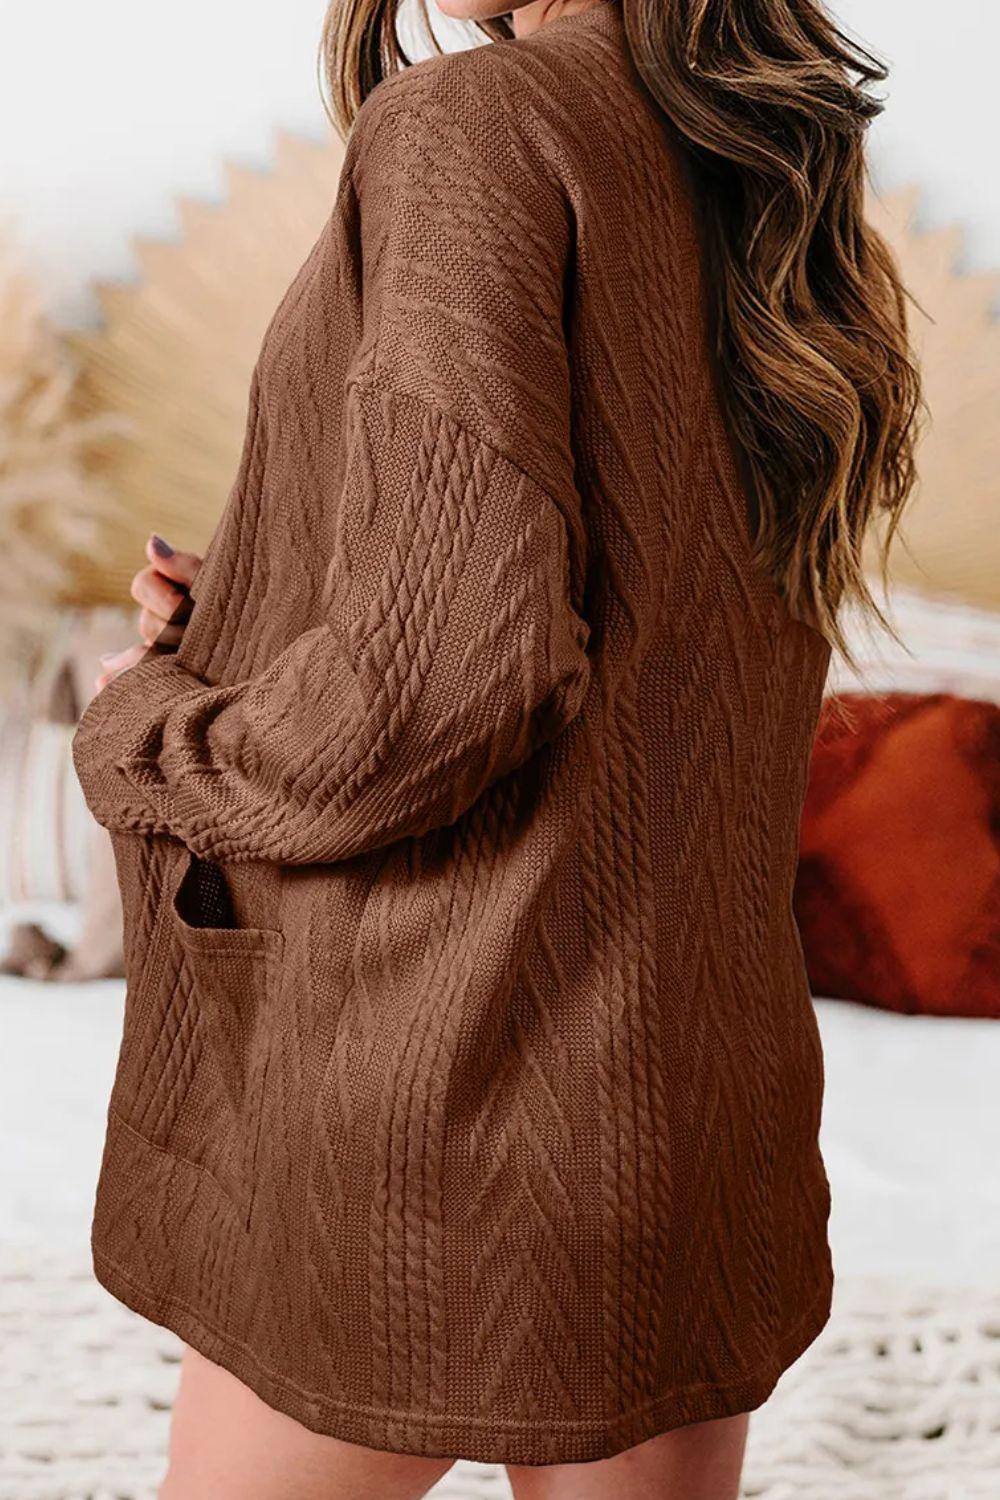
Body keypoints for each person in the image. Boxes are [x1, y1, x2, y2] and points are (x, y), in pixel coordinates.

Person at [75, 0, 920, 1495]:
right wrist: (266, 602)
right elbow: (635, 615)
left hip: (433, 1100)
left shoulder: (474, 124)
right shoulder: (754, 163)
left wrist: (149, 733)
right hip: (686, 1099)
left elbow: (435, 690)